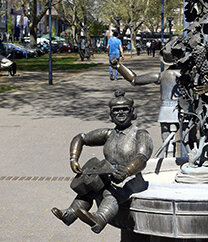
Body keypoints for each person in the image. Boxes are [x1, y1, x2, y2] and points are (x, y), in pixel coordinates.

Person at [51, 90, 153, 233]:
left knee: (110, 194)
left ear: (132, 113)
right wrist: (73, 158)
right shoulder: (109, 134)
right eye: (116, 111)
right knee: (87, 189)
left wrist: (126, 171)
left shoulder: (140, 134)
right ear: (111, 115)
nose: (121, 113)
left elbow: (142, 158)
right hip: (108, 173)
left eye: (125, 110)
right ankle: (70, 214)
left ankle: (99, 219)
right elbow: (81, 137)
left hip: (131, 177)